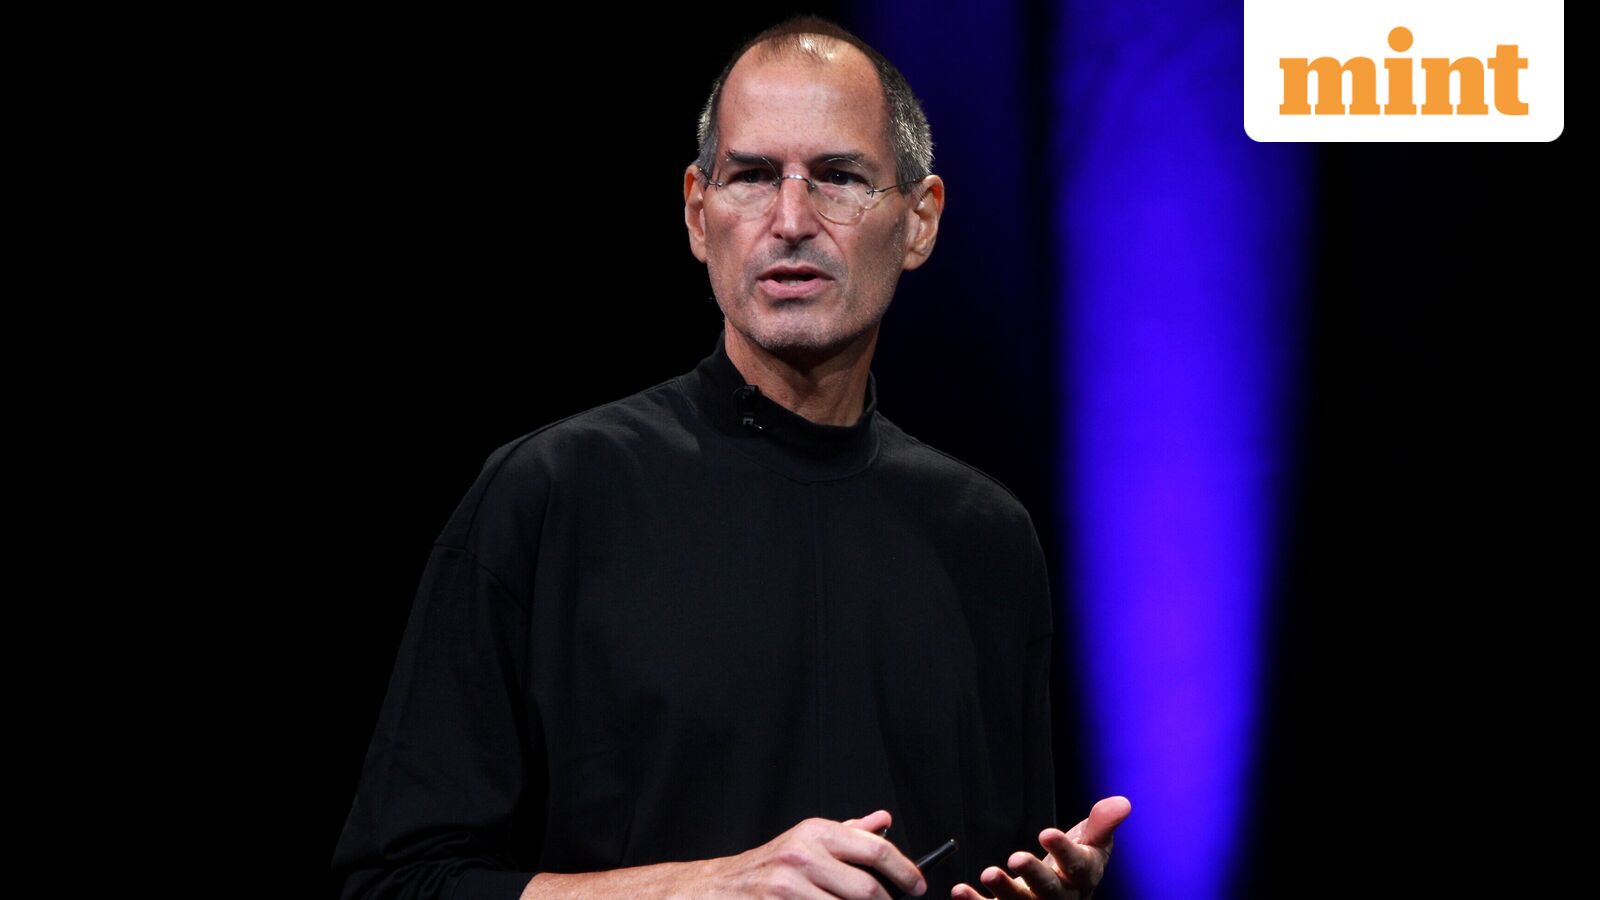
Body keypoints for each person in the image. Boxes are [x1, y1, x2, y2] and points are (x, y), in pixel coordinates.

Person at [330, 14, 1130, 900]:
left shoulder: (988, 539)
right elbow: (396, 882)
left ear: (919, 220)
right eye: (751, 177)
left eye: (838, 177)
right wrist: (707, 886)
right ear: (697, 214)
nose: (790, 221)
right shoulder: (552, 496)